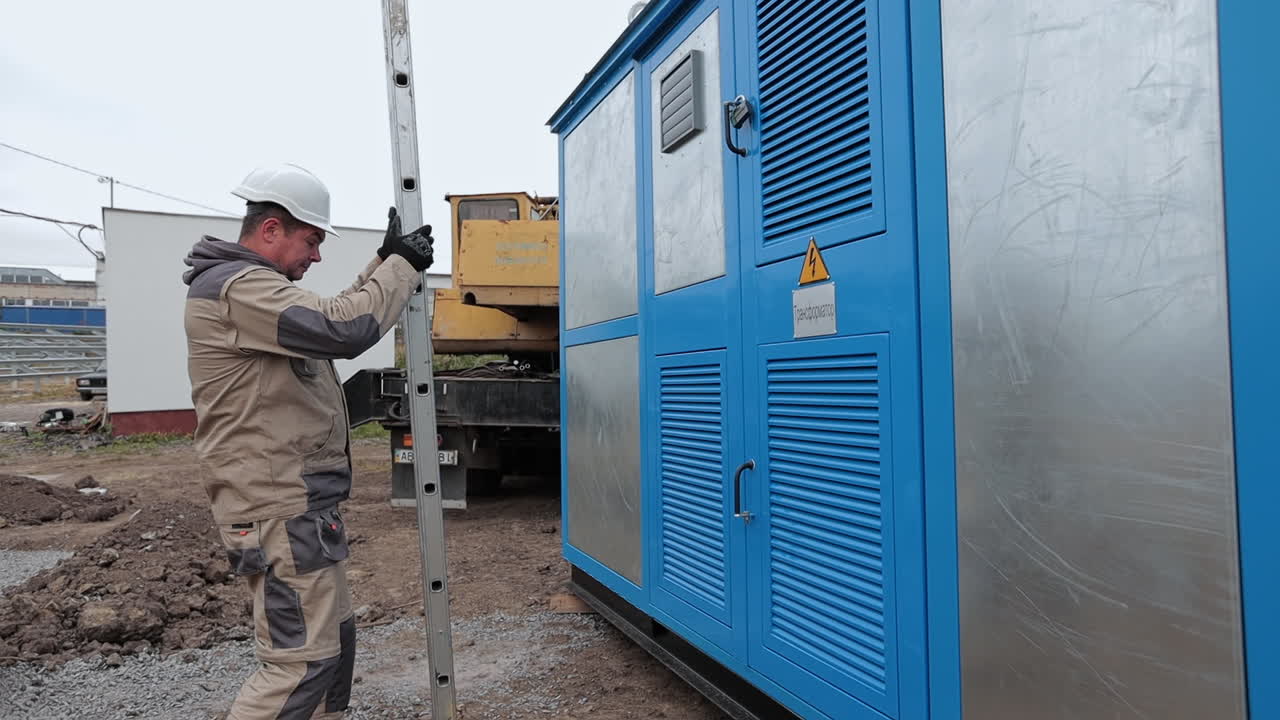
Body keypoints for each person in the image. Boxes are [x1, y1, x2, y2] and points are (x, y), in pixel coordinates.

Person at [182, 163, 433, 719]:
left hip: (299, 506)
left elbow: (328, 315)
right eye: (312, 240)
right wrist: (401, 267)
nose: (316, 256)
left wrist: (383, 262)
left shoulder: (253, 289)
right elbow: (341, 328)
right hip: (277, 507)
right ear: (271, 229)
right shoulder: (238, 288)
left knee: (332, 649)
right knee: (300, 663)